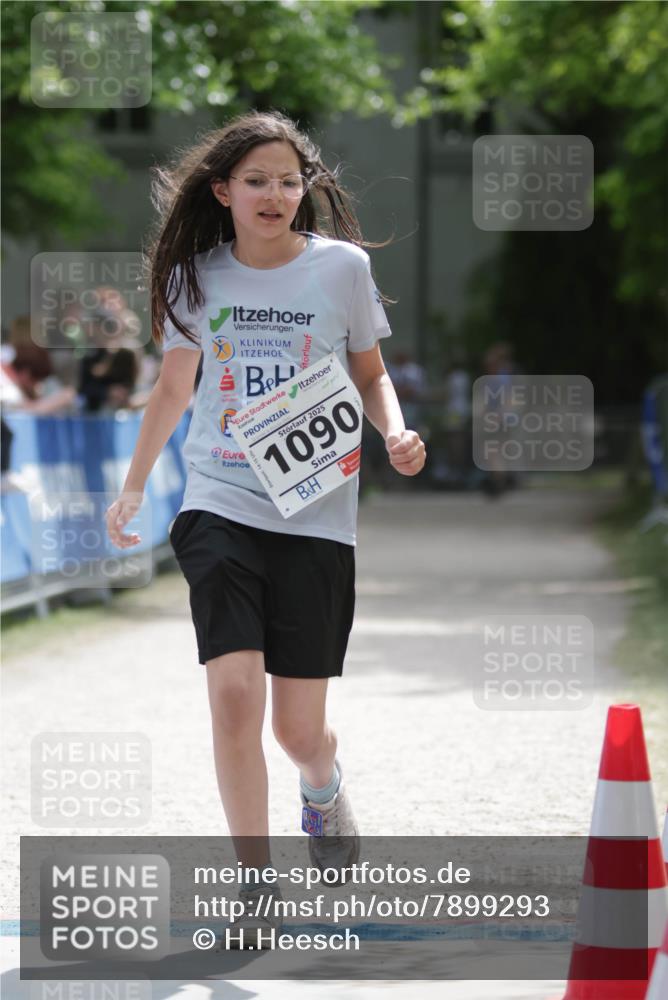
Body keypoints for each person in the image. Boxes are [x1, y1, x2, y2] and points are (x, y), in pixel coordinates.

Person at [104, 110, 426, 947]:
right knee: (235, 695)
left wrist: (392, 430)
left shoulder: (342, 271)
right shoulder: (197, 277)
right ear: (224, 191)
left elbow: (370, 372)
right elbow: (174, 391)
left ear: (306, 189)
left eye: (288, 180)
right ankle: (255, 885)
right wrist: (136, 486)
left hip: (316, 516)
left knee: (296, 729)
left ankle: (321, 787)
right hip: (219, 499)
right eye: (256, 180)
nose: (275, 194)